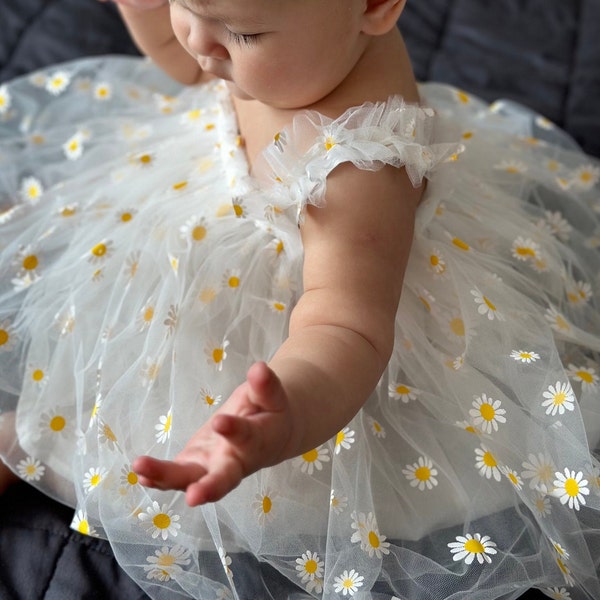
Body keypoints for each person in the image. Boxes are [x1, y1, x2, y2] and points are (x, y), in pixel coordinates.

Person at [0, 0, 599, 598]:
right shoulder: (301, 44)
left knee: (145, 398)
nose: (199, 44)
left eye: (243, 32)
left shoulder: (359, 171)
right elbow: (189, 68)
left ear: (373, 7)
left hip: (317, 331)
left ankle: (33, 441)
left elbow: (347, 329)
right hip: (215, 191)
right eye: (183, 4)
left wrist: (286, 417)